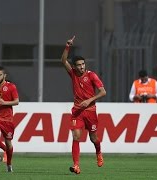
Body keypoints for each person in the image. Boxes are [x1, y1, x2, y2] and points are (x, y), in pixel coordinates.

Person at [61, 36, 106, 174]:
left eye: (83, 64)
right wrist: (67, 46)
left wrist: (89, 100)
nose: (81, 67)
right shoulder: (73, 74)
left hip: (90, 111)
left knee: (94, 138)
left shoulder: (92, 76)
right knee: (75, 136)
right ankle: (76, 165)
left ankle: (98, 152)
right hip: (77, 112)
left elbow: (103, 92)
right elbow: (63, 60)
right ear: (74, 67)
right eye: (79, 65)